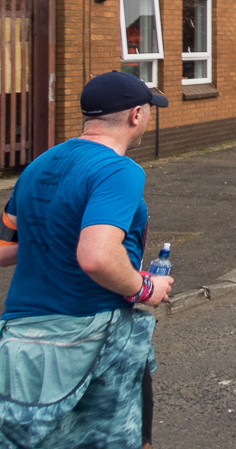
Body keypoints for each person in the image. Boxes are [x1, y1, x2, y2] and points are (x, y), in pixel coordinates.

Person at [0, 71, 173, 448]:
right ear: (136, 115)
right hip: (92, 333)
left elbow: (3, 248)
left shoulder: (37, 167)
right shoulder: (118, 170)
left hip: (21, 338)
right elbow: (96, 257)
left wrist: (52, 239)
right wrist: (147, 288)